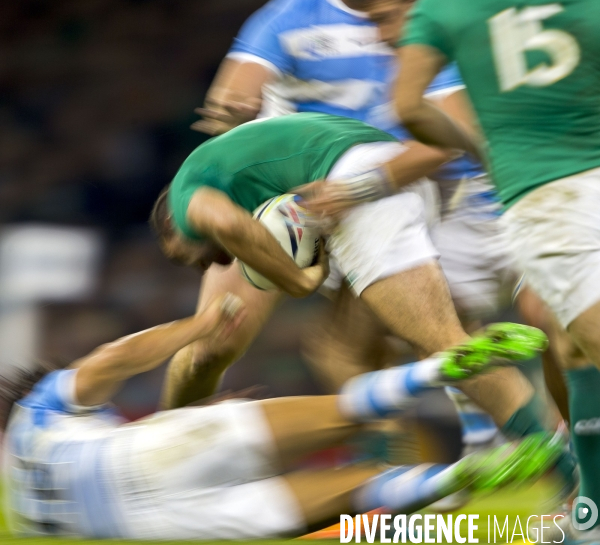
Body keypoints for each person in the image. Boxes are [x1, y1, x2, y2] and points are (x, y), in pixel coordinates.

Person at [151, 113, 577, 496]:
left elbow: (225, 222)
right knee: (338, 349)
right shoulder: (231, 165)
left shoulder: (186, 199)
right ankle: (395, 482)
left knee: (446, 347)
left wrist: (299, 280)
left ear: (172, 224)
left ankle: (573, 473)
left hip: (355, 188)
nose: (217, 262)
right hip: (388, 176)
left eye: (192, 258)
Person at [191, 0, 521, 454]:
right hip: (340, 199)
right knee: (389, 344)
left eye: (385, 23)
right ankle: (460, 455)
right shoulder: (297, 12)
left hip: (416, 200)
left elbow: (444, 145)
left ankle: (503, 452)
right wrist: (236, 105)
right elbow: (234, 90)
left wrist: (355, 190)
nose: (380, 34)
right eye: (377, 24)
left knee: (357, 347)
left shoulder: (417, 18)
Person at [1, 291, 559, 540]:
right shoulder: (40, 409)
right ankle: (441, 370)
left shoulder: (23, 515)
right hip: (154, 455)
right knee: (346, 412)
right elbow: (111, 361)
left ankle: (459, 478)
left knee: (362, 488)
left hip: (166, 529)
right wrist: (199, 327)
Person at [393, 0, 600, 539]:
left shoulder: (445, 4)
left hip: (546, 198)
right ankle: (593, 512)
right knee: (572, 347)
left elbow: (409, 105)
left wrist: (482, 149)